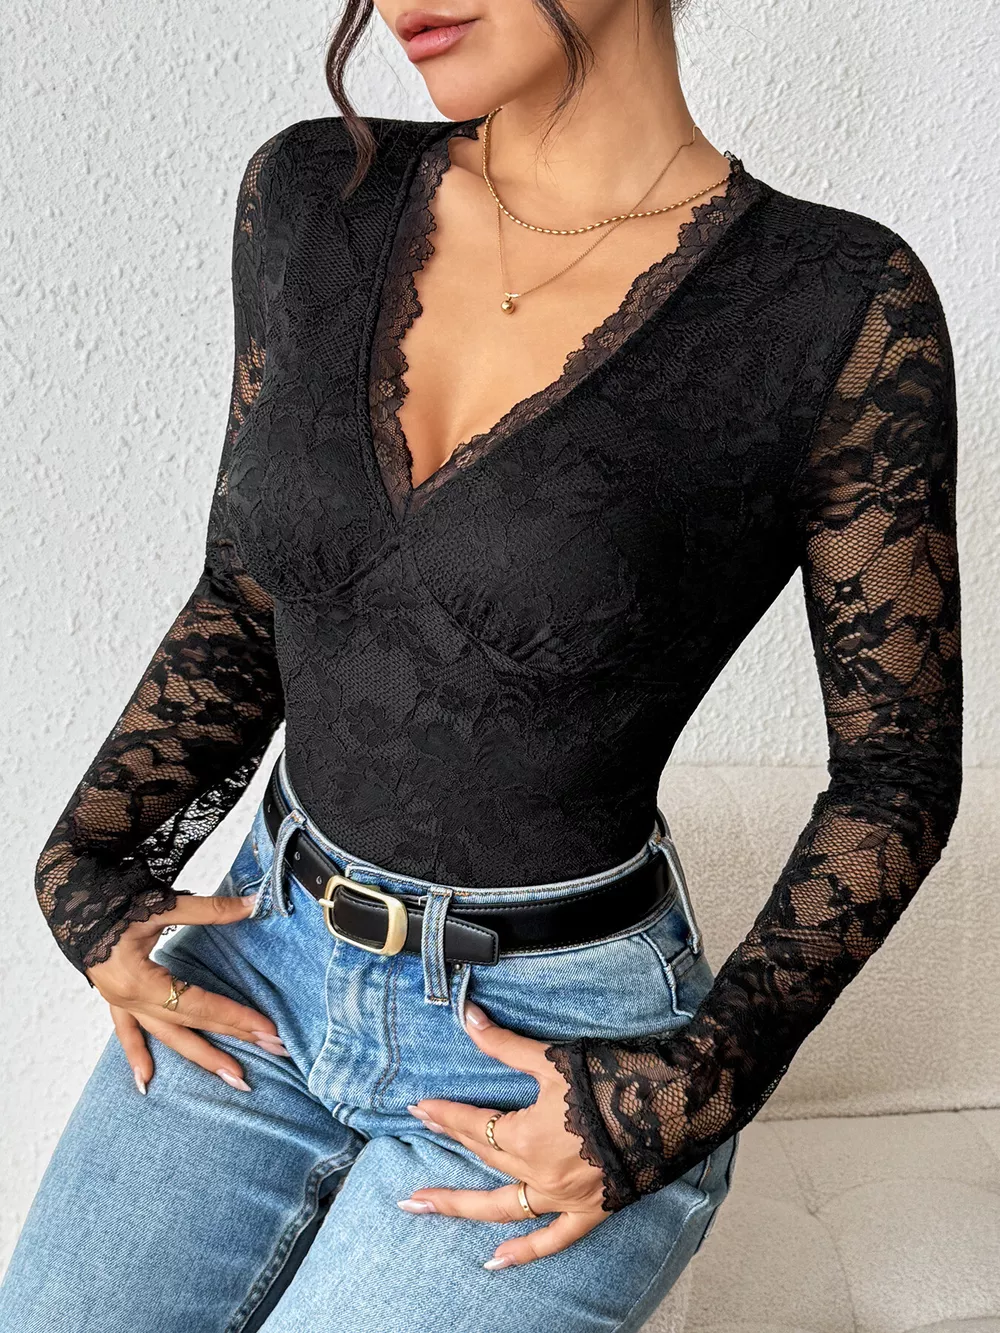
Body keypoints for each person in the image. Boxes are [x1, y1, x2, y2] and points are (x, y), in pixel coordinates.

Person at [1, 0, 963, 1329]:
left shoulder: (839, 302)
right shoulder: (313, 192)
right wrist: (87, 858)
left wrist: (693, 1086)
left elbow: (894, 777)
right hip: (257, 965)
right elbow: (254, 590)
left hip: (554, 1053)